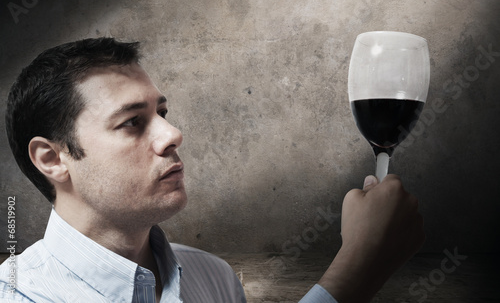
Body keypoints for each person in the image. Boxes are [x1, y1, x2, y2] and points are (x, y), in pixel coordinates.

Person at [0, 38, 424, 303]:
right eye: (132, 121)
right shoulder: (17, 295)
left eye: (162, 112)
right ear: (52, 159)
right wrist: (354, 273)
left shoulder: (214, 277)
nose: (172, 133)